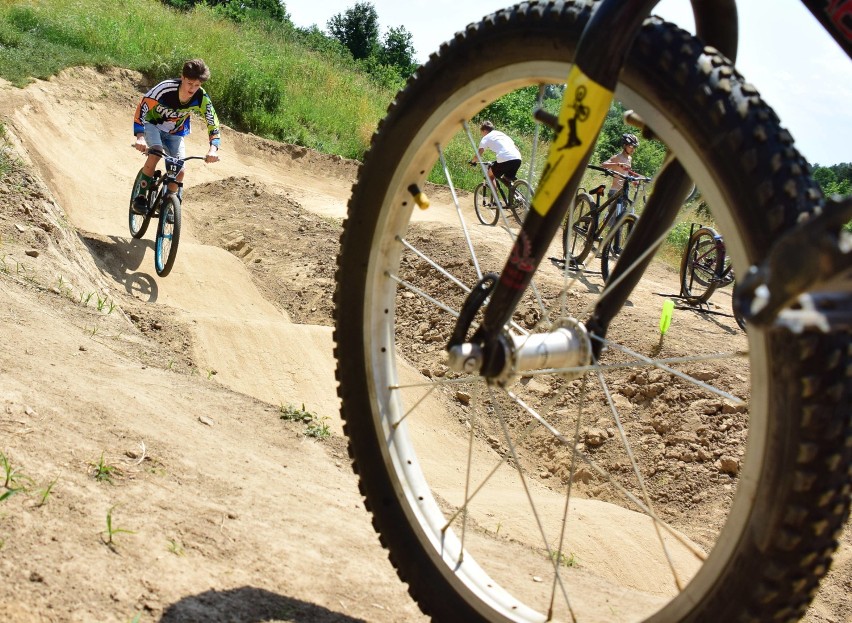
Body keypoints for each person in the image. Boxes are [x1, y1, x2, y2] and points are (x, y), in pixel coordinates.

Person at [130, 59, 221, 214]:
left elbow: (212, 122)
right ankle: (140, 197)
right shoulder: (165, 88)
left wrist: (213, 148)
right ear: (182, 78)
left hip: (176, 133)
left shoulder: (201, 97)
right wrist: (140, 136)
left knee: (180, 170)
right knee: (156, 153)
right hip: (153, 125)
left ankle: (169, 203)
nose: (192, 89)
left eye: (197, 85)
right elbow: (143, 107)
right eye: (190, 83)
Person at [470, 121, 523, 188]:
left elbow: (479, 152)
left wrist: (473, 161)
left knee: (490, 175)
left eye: (481, 132)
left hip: (505, 158)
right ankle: (514, 195)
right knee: (507, 179)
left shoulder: (486, 137)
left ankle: (495, 198)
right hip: (517, 158)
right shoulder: (501, 134)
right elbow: (516, 147)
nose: (482, 134)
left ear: (484, 131)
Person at [600, 133, 639, 208]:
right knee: (613, 219)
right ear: (624, 145)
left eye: (635, 147)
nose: (633, 149)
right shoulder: (617, 157)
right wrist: (617, 164)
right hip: (615, 192)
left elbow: (626, 172)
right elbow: (603, 165)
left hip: (624, 192)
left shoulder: (629, 158)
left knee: (622, 218)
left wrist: (633, 180)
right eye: (631, 146)